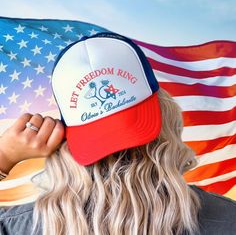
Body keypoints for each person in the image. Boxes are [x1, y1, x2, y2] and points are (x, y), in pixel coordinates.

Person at [0, 33, 236, 235]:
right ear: (167, 117)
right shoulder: (228, 220)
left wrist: (4, 154)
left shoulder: (22, 227)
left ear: (66, 140)